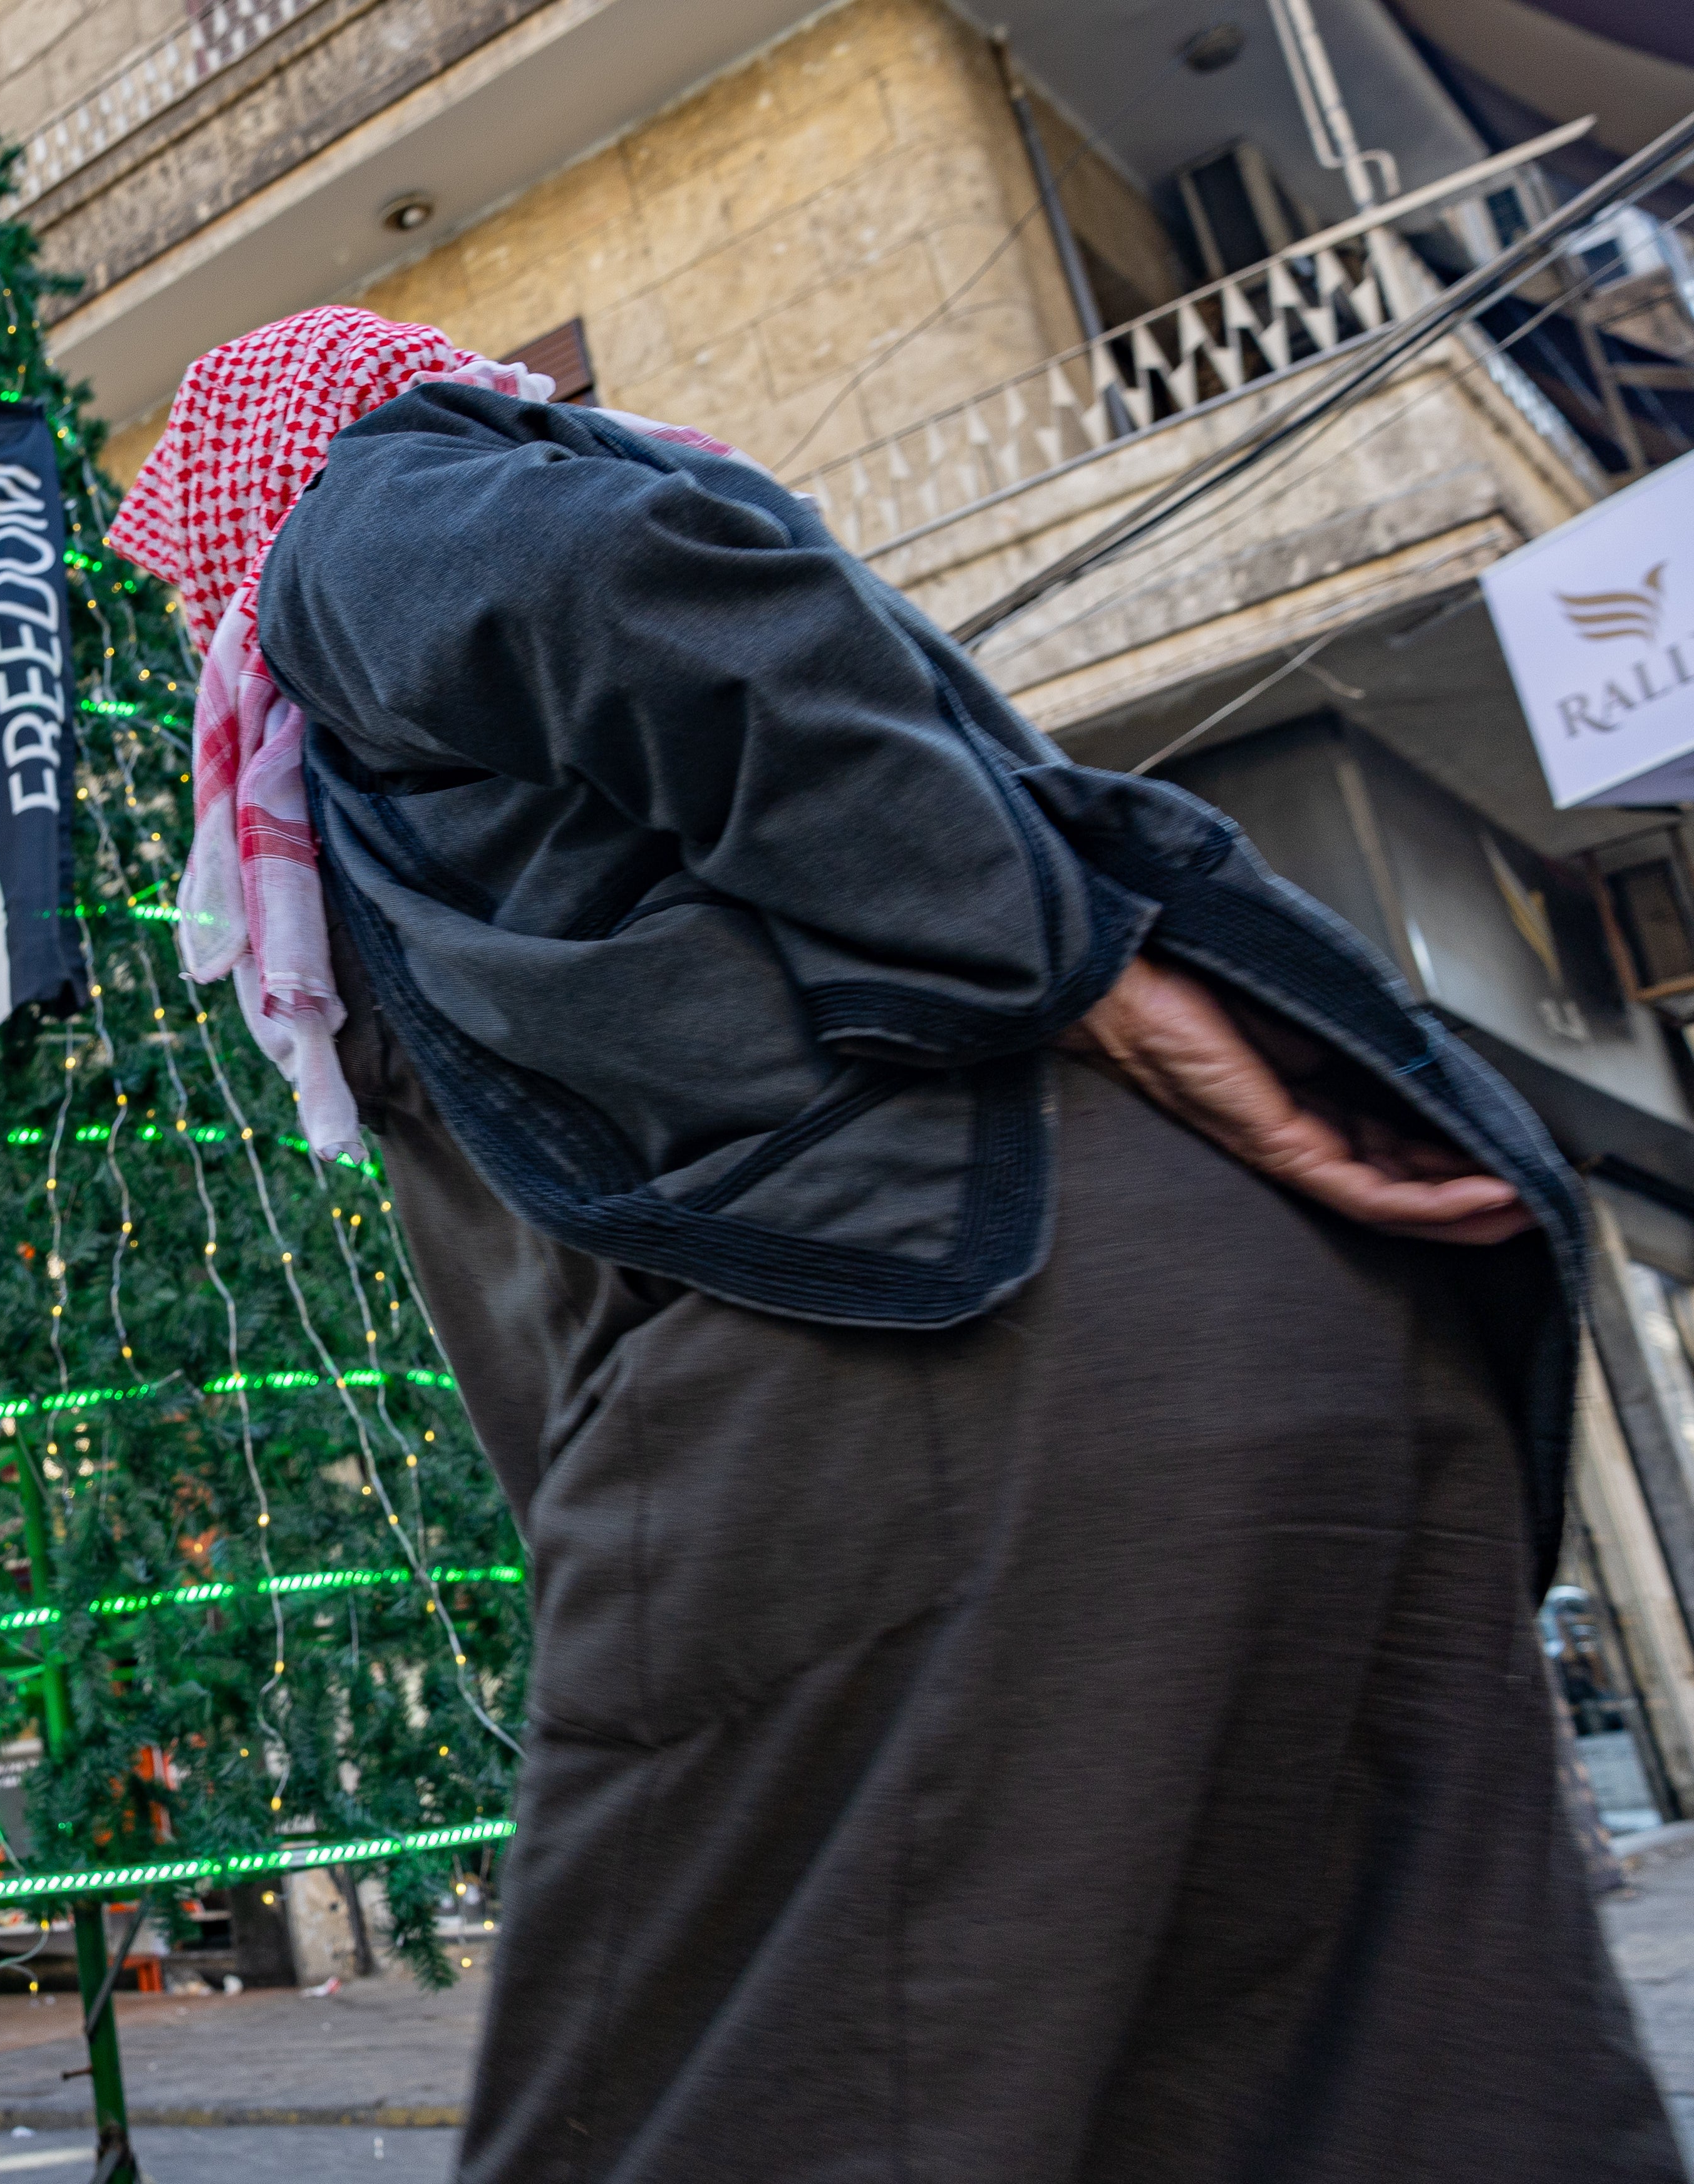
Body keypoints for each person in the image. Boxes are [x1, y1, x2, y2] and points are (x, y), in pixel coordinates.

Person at [104, 305, 1685, 2181]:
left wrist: (1049, 948)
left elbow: (620, 580)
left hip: (950, 1351)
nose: (196, 605)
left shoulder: (360, 512)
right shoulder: (431, 760)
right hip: (1240, 1339)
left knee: (698, 2097)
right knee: (1380, 2071)